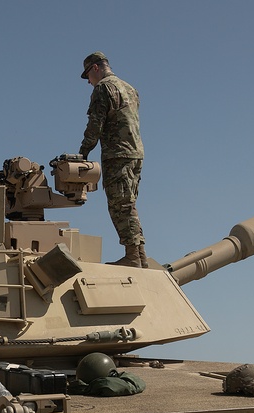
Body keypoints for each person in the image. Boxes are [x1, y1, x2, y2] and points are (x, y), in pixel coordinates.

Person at [78, 51, 148, 268]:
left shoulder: (103, 88)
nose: (89, 82)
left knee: (120, 205)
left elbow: (95, 125)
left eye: (88, 76)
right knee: (128, 205)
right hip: (135, 153)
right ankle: (140, 256)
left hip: (117, 154)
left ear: (95, 68)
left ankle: (132, 256)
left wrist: (82, 153)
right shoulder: (130, 88)